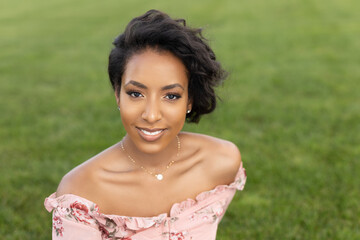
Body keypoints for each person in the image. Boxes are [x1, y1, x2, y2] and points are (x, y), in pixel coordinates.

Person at [44, 9, 246, 240]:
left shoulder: (221, 162)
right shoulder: (81, 191)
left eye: (171, 96)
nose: (151, 115)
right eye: (136, 93)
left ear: (189, 100)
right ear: (118, 95)